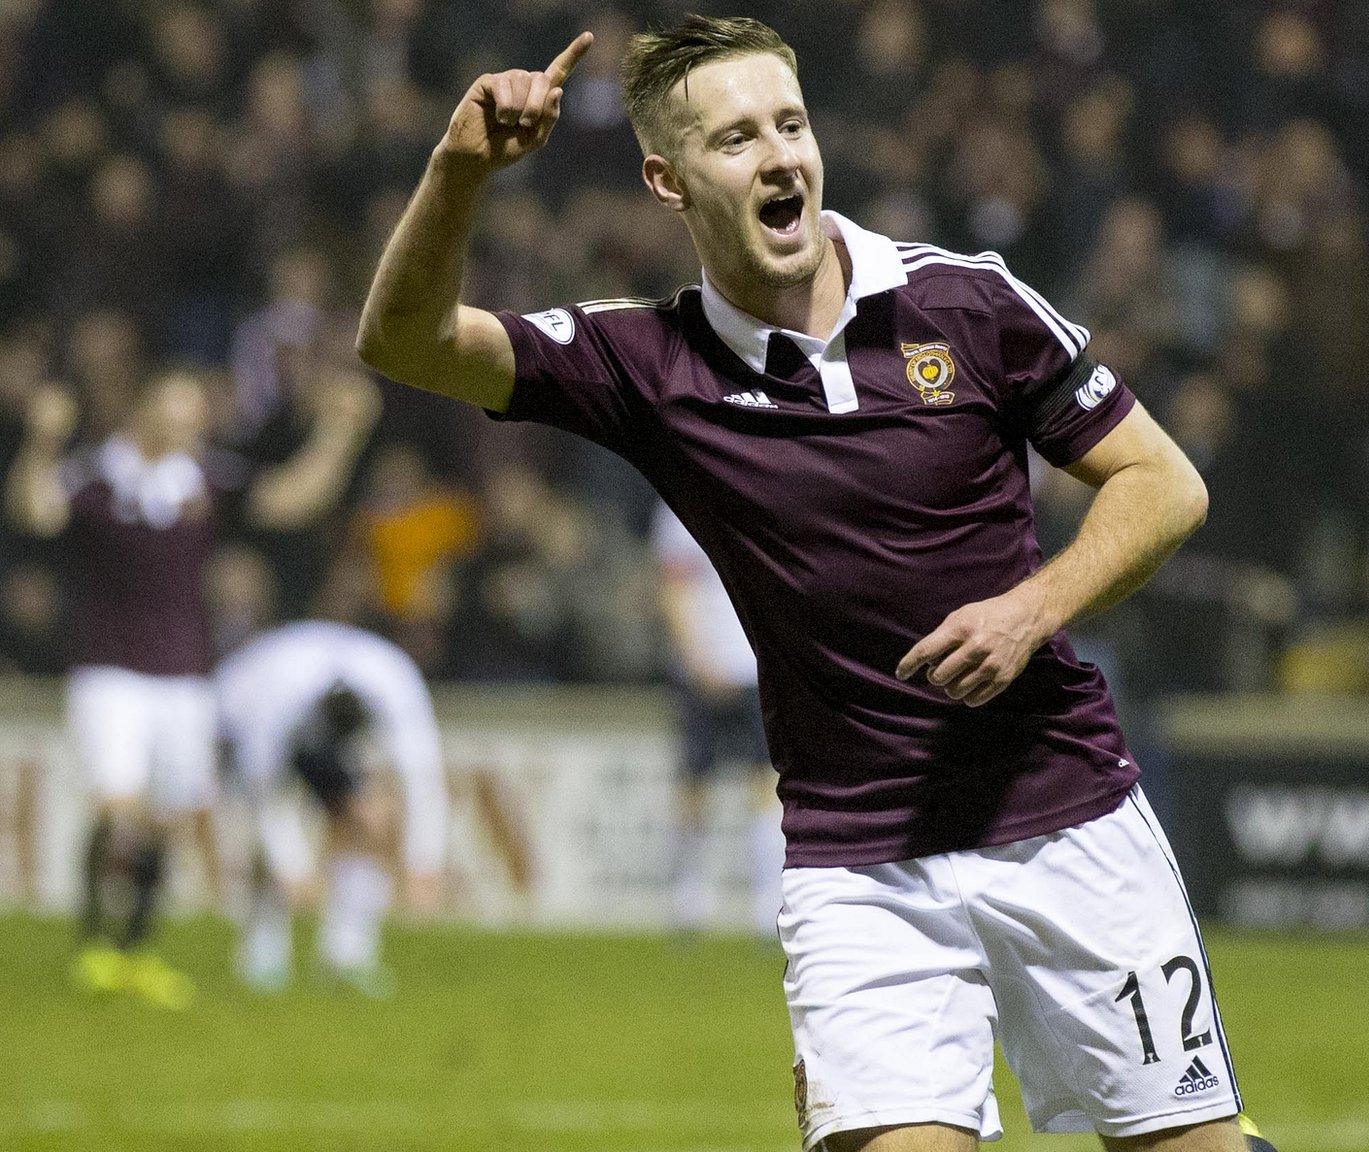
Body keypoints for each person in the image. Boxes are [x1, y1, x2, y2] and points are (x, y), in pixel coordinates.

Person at [356, 16, 1273, 1152]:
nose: (779, 155)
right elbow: (404, 344)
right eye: (735, 139)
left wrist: (1033, 607)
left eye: (789, 124)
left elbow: (1162, 483)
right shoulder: (645, 360)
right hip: (859, 862)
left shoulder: (967, 305)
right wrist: (456, 174)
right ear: (666, 180)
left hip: (1063, 816)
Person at [4, 369, 376, 1007]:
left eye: (193, 416)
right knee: (118, 810)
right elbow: (35, 511)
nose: (184, 427)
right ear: (143, 412)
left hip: (185, 679)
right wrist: (40, 442)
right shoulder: (96, 476)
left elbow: (292, 498)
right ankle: (96, 943)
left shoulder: (205, 479)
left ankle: (135, 951)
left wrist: (342, 432)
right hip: (107, 670)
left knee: (167, 822)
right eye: (173, 414)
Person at [215, 619, 448, 997]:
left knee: (371, 815)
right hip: (234, 723)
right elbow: (264, 793)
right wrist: (292, 866)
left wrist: (424, 863)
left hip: (307, 722)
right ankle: (262, 952)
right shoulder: (273, 699)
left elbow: (422, 782)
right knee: (266, 845)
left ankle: (347, 955)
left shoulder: (395, 685)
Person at [652, 503, 781, 934]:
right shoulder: (677, 508)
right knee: (694, 784)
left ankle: (768, 904)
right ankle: (687, 902)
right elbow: (673, 586)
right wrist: (694, 656)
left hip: (753, 666)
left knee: (764, 782)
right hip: (702, 669)